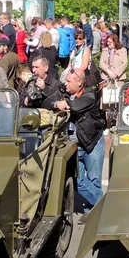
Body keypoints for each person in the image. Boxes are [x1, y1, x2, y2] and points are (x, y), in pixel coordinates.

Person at [43, 69, 105, 218]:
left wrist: (65, 103)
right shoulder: (64, 91)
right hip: (73, 145)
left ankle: (91, 213)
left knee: (94, 179)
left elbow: (76, 106)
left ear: (80, 82)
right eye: (66, 81)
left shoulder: (89, 94)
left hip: (92, 142)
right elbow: (45, 102)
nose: (66, 84)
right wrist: (57, 102)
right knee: (77, 180)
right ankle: (103, 205)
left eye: (69, 81)